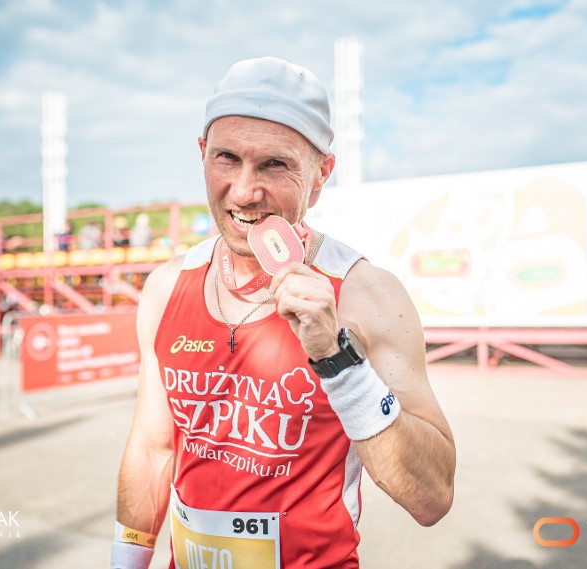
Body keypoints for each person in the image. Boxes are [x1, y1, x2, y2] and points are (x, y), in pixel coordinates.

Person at [112, 57, 456, 568]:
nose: (246, 191)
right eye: (227, 158)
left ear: (321, 175)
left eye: (275, 165)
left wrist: (336, 358)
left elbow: (431, 496)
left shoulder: (367, 295)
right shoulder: (167, 287)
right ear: (202, 153)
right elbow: (152, 448)